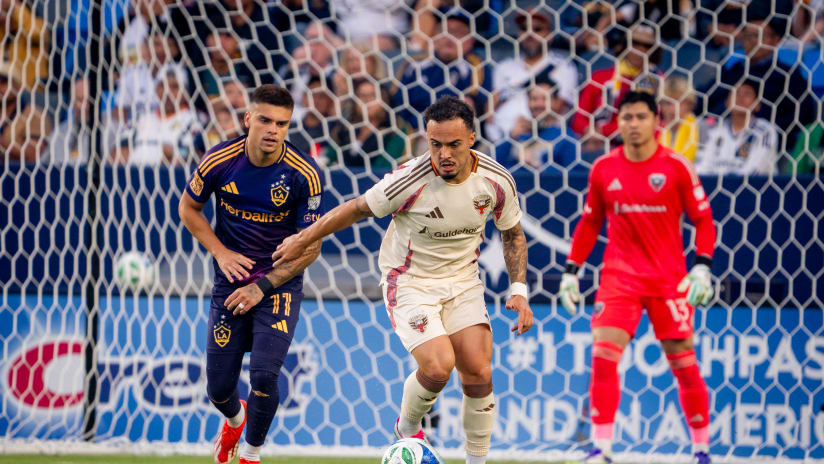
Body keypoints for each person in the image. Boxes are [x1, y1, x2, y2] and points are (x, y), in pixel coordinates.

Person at [272, 96, 533, 464]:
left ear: (472, 139)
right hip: (410, 281)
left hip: (463, 281)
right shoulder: (409, 180)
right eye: (435, 144)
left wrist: (519, 290)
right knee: (438, 366)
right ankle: (408, 429)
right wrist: (302, 239)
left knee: (478, 369)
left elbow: (513, 235)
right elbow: (355, 209)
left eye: (454, 144)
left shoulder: (496, 179)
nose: (443, 154)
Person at [558, 92, 716, 464]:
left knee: (683, 363)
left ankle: (701, 450)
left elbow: (704, 220)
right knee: (603, 356)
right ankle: (601, 449)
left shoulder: (677, 167)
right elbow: (590, 223)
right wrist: (570, 272)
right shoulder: (604, 168)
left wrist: (702, 265)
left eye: (641, 117)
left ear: (656, 121)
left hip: (668, 279)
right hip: (620, 277)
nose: (632, 124)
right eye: (626, 117)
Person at [178, 84, 325, 464]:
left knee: (263, 376)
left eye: (282, 123)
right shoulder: (219, 160)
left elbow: (312, 247)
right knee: (218, 389)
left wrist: (262, 286)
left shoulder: (305, 174)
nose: (273, 130)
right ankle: (234, 422)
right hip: (230, 283)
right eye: (265, 120)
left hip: (278, 285)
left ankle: (251, 455)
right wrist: (221, 252)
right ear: (248, 119)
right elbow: (188, 208)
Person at [695, 79, 778, 176]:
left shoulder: (765, 131)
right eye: (736, 93)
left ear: (757, 105)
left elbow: (756, 170)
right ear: (727, 102)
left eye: (747, 94)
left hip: (754, 185)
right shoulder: (717, 130)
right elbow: (704, 166)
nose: (740, 97)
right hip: (718, 184)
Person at [658, 75, 699, 163]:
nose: (672, 109)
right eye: (668, 103)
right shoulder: (654, 132)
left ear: (690, 104)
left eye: (678, 102)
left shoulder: (702, 130)